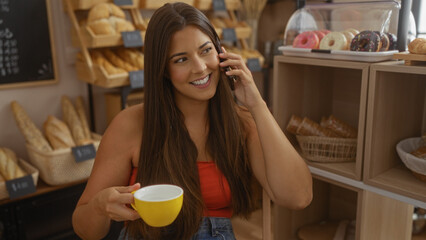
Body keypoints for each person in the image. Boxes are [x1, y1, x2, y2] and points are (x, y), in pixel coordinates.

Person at [72, 2, 312, 240]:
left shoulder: (242, 123)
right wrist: (99, 206)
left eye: (206, 50)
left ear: (220, 52)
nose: (200, 67)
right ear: (163, 70)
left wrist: (257, 104)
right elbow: (85, 229)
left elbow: (298, 197)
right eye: (181, 60)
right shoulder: (130, 124)